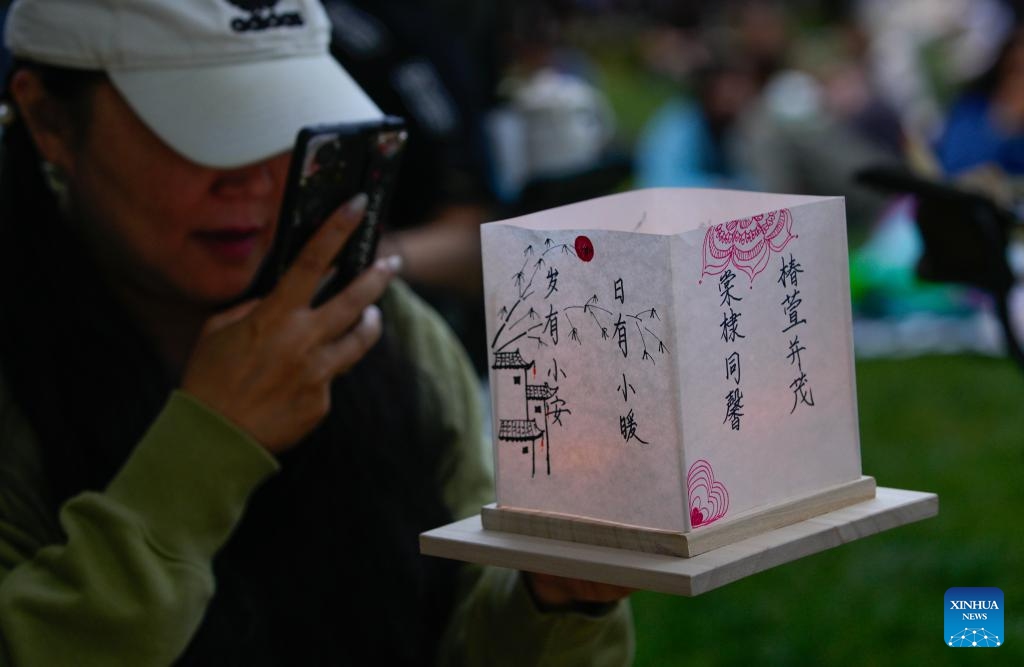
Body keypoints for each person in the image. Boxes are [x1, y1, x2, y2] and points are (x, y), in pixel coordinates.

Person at [0, 1, 633, 665]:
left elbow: (469, 626)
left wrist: (556, 599)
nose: (251, 176)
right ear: (47, 118)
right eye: (198, 127)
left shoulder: (381, 329)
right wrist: (207, 448)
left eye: (278, 119)